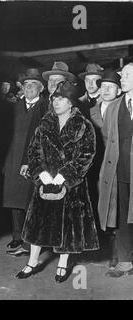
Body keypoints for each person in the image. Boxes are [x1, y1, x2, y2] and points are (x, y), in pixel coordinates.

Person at [16, 80, 99, 283]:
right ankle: (32, 261)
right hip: (45, 182)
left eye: (61, 99)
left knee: (67, 225)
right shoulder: (45, 123)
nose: (56, 102)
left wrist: (65, 175)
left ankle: (63, 263)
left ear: (71, 102)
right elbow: (34, 150)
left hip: (71, 186)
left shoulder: (84, 126)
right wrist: (41, 173)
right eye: (54, 98)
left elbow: (87, 154)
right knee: (38, 222)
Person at [3, 68, 48, 257]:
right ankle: (17, 235)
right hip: (13, 157)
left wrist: (31, 160)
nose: (29, 88)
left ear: (41, 88)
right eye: (26, 84)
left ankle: (30, 238)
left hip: (32, 159)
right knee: (13, 198)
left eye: (33, 85)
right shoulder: (15, 106)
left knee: (29, 198)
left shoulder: (45, 107)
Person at [98, 63, 133, 277]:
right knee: (121, 216)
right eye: (122, 75)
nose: (122, 78)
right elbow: (106, 138)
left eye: (128, 75)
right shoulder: (113, 107)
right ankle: (126, 260)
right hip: (119, 169)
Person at [89, 69, 121, 273]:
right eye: (103, 87)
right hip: (94, 165)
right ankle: (100, 249)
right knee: (98, 206)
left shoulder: (123, 109)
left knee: (115, 208)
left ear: (119, 91)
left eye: (111, 87)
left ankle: (117, 253)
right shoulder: (92, 110)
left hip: (115, 165)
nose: (106, 90)